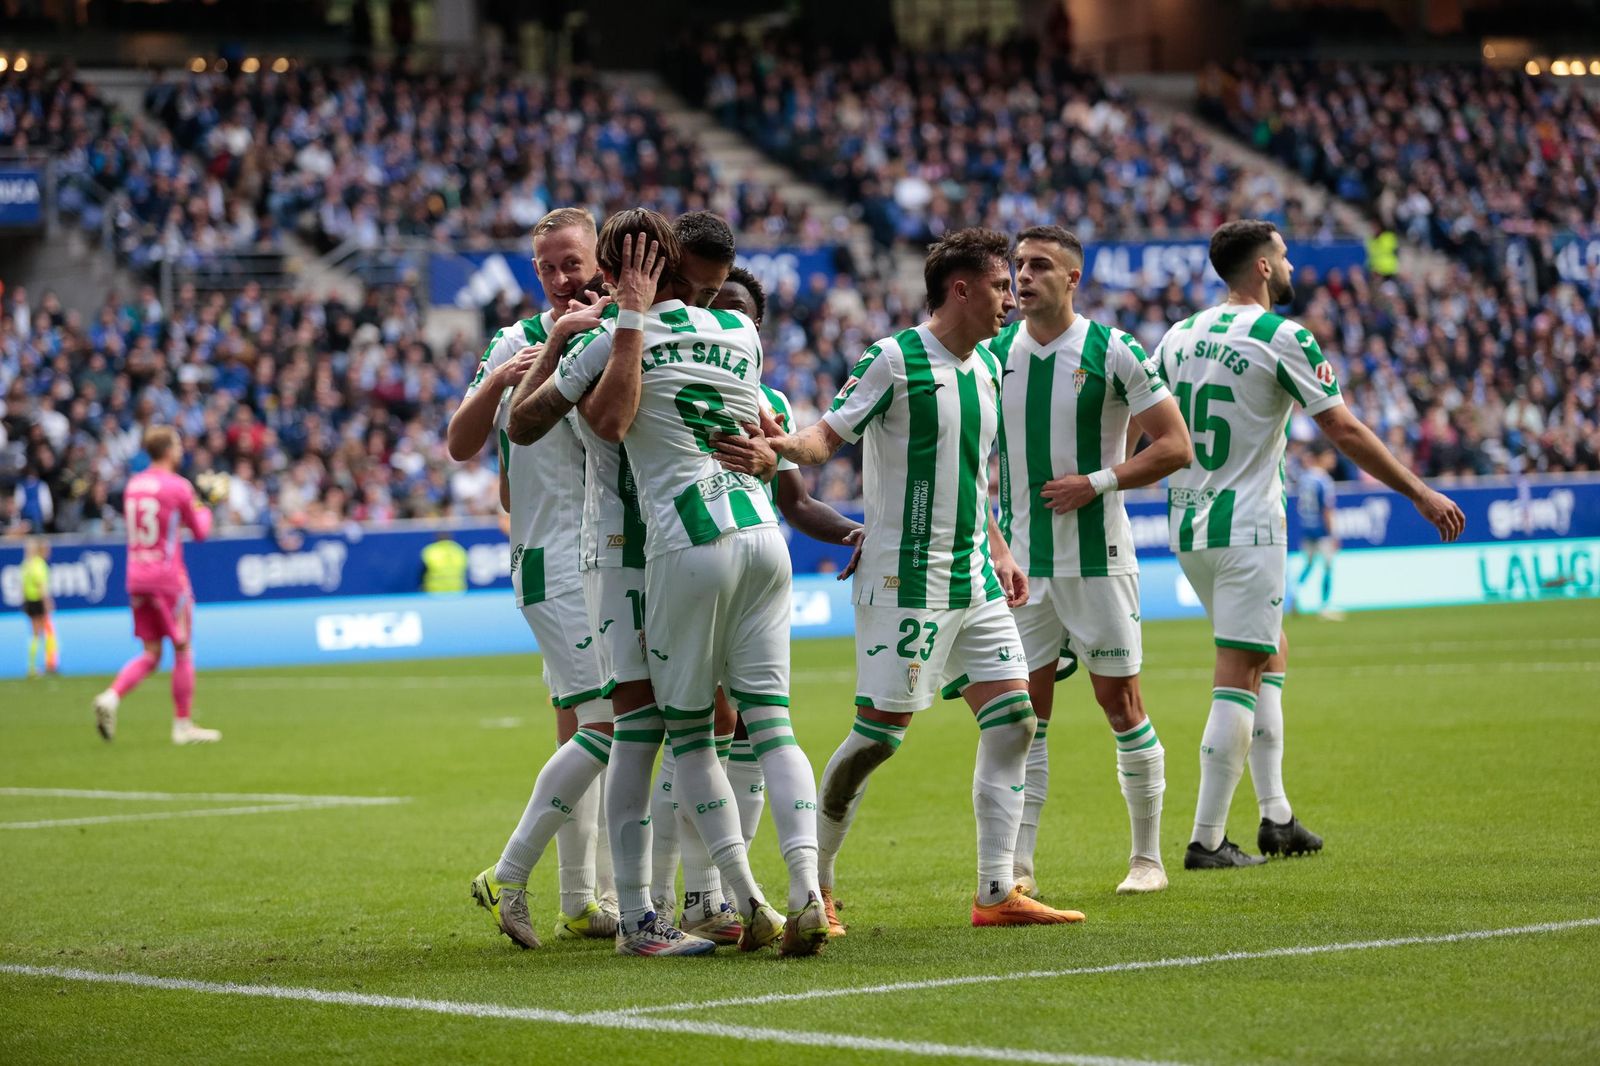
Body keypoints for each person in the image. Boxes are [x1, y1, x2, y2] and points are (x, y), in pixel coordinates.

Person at [512, 210, 828, 957]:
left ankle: (707, 900)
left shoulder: (617, 336)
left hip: (676, 542)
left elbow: (594, 419)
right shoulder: (617, 334)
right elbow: (535, 428)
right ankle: (652, 911)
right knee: (640, 728)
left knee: (692, 728)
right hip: (626, 550)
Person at [759, 227, 1087, 932]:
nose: (1011, 297)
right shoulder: (894, 358)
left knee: (1015, 720)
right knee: (879, 737)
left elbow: (971, 471)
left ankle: (996, 892)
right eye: (1001, 285)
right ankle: (814, 884)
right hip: (905, 582)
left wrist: (999, 548)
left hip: (972, 578)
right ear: (961, 289)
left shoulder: (982, 367)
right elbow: (826, 436)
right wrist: (780, 450)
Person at [1156, 220, 1465, 870]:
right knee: (1238, 672)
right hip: (1248, 529)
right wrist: (1418, 492)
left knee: (1271, 651)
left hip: (1189, 527)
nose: (1292, 264)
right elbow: (1343, 430)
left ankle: (1277, 817)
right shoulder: (1282, 336)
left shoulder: (1178, 336)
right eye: (1286, 255)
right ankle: (1206, 840)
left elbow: (1144, 426)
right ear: (1263, 268)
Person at [641, 265, 865, 933]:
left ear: (750, 329)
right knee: (707, 727)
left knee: (732, 730)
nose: (714, 314)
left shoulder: (769, 402)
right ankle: (685, 894)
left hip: (720, 558)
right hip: (710, 555)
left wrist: (854, 529)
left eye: (731, 307)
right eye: (709, 299)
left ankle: (724, 897)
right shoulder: (659, 367)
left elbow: (796, 500)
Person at [988, 226, 1193, 896]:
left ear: (1072, 278)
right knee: (1023, 717)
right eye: (1017, 265)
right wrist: (990, 541)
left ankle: (1146, 859)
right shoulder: (991, 353)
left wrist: (1098, 481)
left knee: (1121, 702)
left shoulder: (1113, 349)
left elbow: (1174, 446)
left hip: (1099, 560)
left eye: (1039, 266)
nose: (1023, 276)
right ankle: (1017, 869)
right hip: (1020, 568)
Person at [454, 207, 619, 949]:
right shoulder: (516, 342)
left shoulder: (623, 334)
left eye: (571, 264)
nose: (560, 279)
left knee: (584, 726)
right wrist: (496, 382)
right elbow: (463, 442)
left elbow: (506, 485)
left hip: (603, 559)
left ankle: (582, 901)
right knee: (613, 726)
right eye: (547, 268)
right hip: (556, 563)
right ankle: (508, 874)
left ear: (599, 259)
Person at [92, 426, 225, 745]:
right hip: (167, 578)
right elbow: (201, 531)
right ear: (168, 450)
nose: (181, 450)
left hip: (136, 575)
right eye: (177, 444)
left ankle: (111, 697)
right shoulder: (178, 486)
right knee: (182, 647)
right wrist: (207, 502)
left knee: (151, 653)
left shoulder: (133, 485)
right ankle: (183, 725)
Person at [1293, 442, 1341, 618]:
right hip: (1321, 531)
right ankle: (1325, 605)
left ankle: (1296, 592)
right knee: (1328, 567)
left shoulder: (1305, 478)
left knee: (1309, 564)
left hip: (1307, 528)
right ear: (1321, 457)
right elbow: (1327, 510)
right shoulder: (1324, 480)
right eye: (1330, 455)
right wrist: (1332, 533)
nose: (1333, 459)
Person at [21, 537, 58, 677]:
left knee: (35, 635)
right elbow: (41, 587)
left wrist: (24, 601)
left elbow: (23, 586)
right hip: (38, 602)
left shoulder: (25, 565)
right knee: (48, 632)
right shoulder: (39, 565)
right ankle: (50, 664)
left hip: (29, 601)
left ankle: (32, 666)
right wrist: (47, 603)